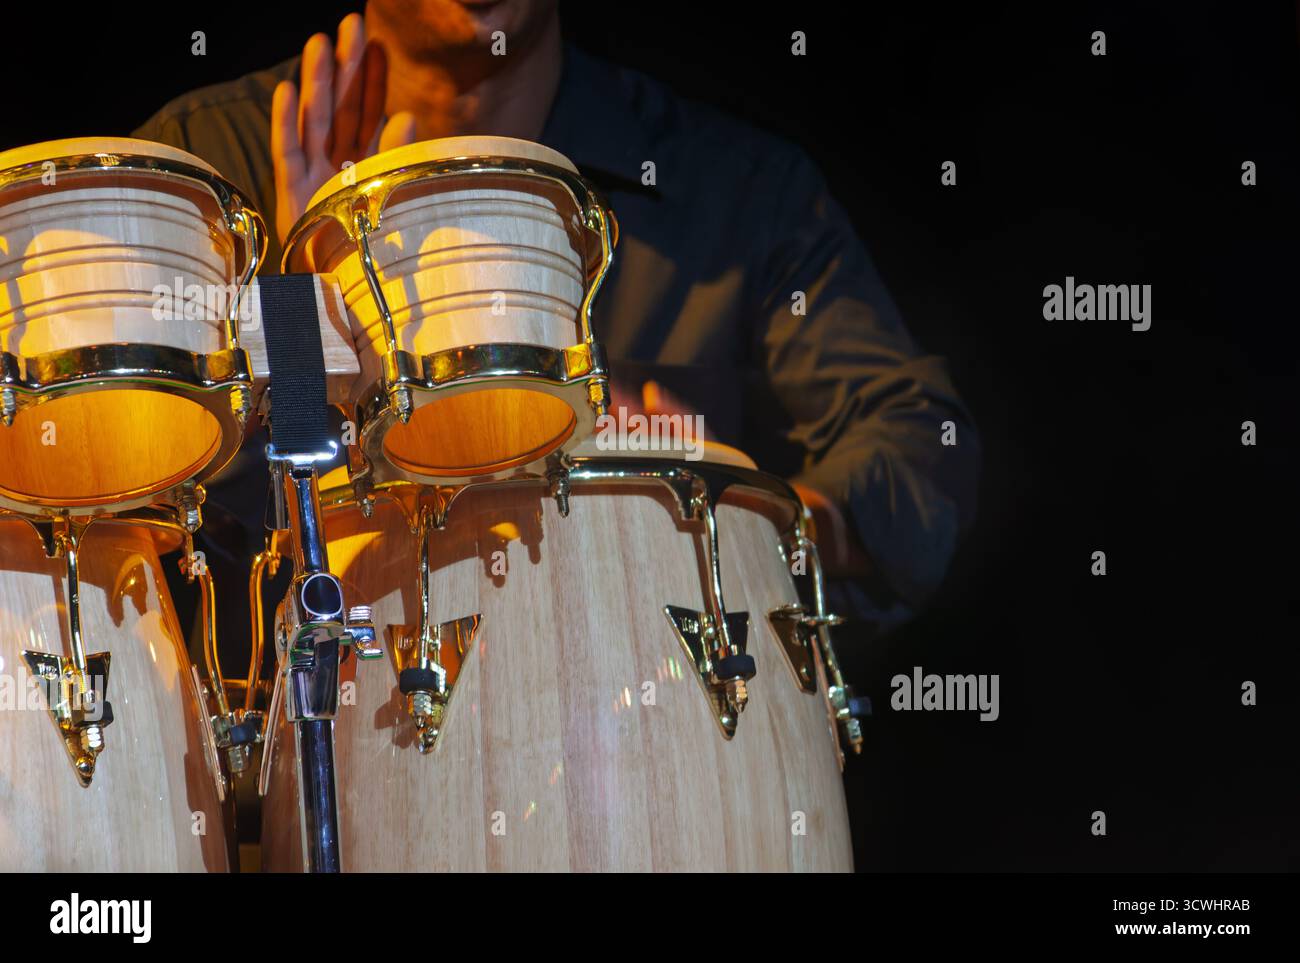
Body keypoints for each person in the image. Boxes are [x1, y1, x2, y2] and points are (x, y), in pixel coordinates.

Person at [135, 0, 979, 631]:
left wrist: (730, 506)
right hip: (319, 774)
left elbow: (922, 446)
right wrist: (299, 334)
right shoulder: (195, 177)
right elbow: (133, 526)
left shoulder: (735, 190)